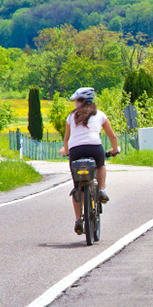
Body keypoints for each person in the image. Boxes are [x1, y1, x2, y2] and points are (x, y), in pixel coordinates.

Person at [59, 87, 119, 235]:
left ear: (81, 102)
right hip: (95, 148)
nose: (75, 104)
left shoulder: (71, 117)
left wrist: (66, 150)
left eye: (77, 101)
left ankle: (78, 220)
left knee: (76, 187)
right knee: (100, 165)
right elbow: (112, 136)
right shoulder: (100, 115)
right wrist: (115, 149)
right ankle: (102, 190)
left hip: (76, 151)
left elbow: (66, 138)